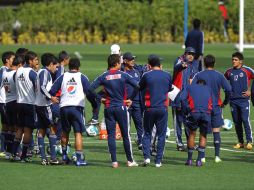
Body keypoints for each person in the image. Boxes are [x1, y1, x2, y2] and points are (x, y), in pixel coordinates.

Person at [89, 54, 139, 168]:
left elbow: (90, 88)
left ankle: (114, 162)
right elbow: (137, 86)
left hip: (109, 108)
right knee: (126, 135)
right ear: (116, 63)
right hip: (121, 107)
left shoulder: (104, 76)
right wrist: (130, 99)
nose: (121, 64)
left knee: (111, 135)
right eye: (120, 62)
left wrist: (100, 99)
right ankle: (130, 161)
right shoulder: (123, 75)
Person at [50, 58, 95, 166]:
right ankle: (79, 159)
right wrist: (94, 104)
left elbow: (52, 91)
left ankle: (64, 156)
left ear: (69, 67)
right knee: (77, 133)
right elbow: (89, 92)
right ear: (78, 67)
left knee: (65, 132)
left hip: (64, 107)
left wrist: (56, 98)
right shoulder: (82, 77)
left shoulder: (63, 76)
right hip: (77, 108)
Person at [192, 54, 231, 163]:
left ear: (204, 63)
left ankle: (202, 157)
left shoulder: (199, 75)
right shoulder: (219, 75)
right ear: (214, 63)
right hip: (216, 107)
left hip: (204, 107)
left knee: (203, 131)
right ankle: (217, 156)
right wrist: (225, 102)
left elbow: (191, 88)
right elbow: (228, 89)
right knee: (216, 130)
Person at [140, 54, 172, 168]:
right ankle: (158, 161)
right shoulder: (167, 75)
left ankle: (147, 158)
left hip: (149, 108)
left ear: (149, 65)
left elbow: (140, 87)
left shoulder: (146, 75)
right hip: (162, 108)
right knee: (161, 135)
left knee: (147, 133)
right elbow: (169, 89)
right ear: (160, 65)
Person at [171, 47, 200, 151]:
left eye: (193, 54)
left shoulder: (193, 66)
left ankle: (190, 143)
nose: (191, 55)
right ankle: (179, 143)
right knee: (177, 121)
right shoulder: (180, 61)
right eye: (189, 53)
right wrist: (181, 65)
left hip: (188, 98)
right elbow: (177, 67)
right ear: (185, 54)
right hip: (177, 96)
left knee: (188, 121)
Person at [224, 52, 254, 150]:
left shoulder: (247, 70)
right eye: (233, 59)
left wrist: (250, 91)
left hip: (244, 100)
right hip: (233, 101)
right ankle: (240, 142)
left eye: (236, 60)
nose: (233, 61)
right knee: (237, 122)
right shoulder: (229, 71)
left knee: (245, 120)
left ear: (241, 61)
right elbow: (223, 81)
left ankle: (249, 141)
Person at [35, 53, 60, 165]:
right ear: (50, 64)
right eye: (56, 66)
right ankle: (53, 158)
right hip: (45, 106)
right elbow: (42, 87)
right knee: (52, 128)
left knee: (41, 130)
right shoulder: (45, 72)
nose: (57, 68)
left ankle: (43, 158)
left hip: (38, 105)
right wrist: (51, 98)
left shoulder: (40, 72)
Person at [12, 51, 38, 162]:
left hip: (19, 103)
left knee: (19, 129)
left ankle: (14, 154)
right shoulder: (32, 73)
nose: (37, 62)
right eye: (36, 60)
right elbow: (38, 88)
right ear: (30, 61)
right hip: (29, 104)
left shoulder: (17, 72)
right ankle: (23, 156)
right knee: (28, 131)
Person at [181, 79, 212, 167]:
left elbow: (182, 99)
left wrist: (186, 110)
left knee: (192, 134)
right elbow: (213, 102)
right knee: (203, 135)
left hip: (194, 113)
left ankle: (190, 160)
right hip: (206, 114)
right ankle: (199, 160)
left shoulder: (190, 87)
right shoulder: (209, 88)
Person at [122, 52, 143, 150]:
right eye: (131, 59)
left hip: (137, 102)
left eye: (133, 59)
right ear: (125, 61)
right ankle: (128, 143)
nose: (133, 61)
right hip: (126, 102)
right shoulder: (122, 73)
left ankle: (141, 142)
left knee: (139, 123)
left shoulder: (136, 71)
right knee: (127, 125)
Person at [0, 51, 15, 157]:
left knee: (6, 126)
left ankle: (5, 149)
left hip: (7, 101)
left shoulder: (9, 70)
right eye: (12, 58)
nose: (14, 60)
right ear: (7, 60)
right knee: (8, 126)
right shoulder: (3, 70)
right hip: (4, 101)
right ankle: (4, 149)